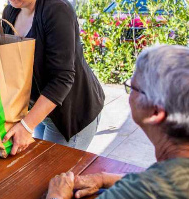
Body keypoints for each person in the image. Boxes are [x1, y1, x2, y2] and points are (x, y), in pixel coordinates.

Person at [0, 0, 105, 154]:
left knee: (53, 177)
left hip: (71, 113)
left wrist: (26, 126)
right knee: (37, 170)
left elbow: (63, 77)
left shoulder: (57, 11)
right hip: (39, 111)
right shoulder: (11, 13)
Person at [47, 44, 189, 199]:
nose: (129, 95)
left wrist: (57, 195)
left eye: (133, 87)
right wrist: (104, 178)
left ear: (155, 112)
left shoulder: (144, 191)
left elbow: (151, 186)